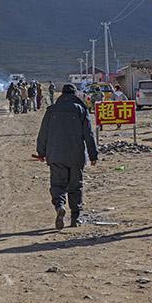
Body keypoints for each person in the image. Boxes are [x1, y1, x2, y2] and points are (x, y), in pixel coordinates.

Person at [36, 84, 98, 229]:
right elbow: (88, 134)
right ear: (75, 94)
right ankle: (75, 218)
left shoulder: (51, 110)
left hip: (56, 155)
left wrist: (41, 153)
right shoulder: (80, 109)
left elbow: (43, 133)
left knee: (57, 184)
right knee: (75, 186)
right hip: (76, 155)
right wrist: (93, 154)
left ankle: (59, 206)